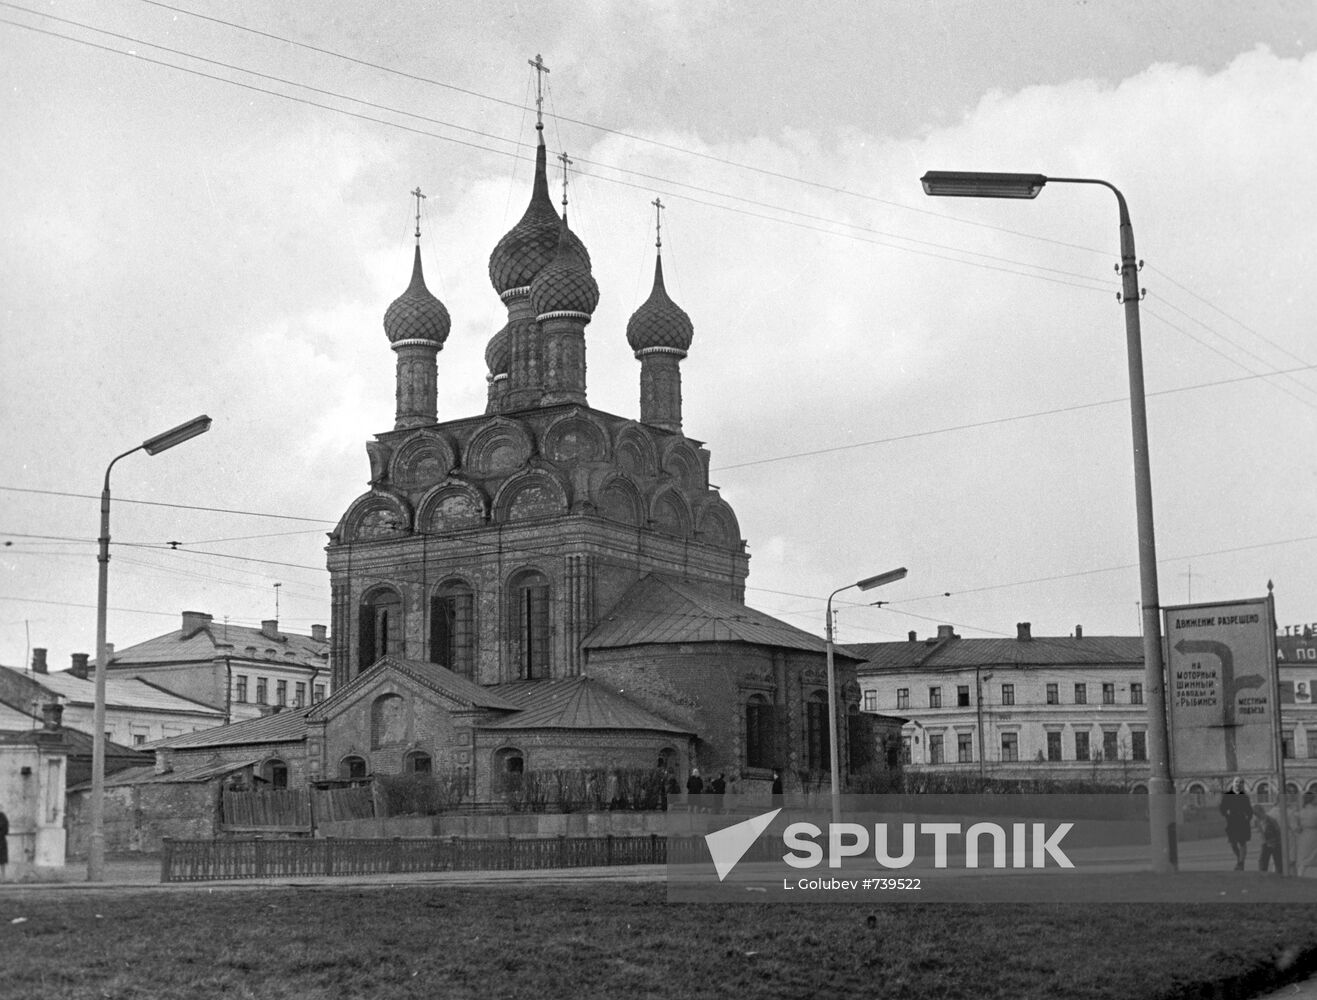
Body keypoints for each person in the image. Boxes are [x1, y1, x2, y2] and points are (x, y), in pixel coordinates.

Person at [1219, 777, 1253, 870]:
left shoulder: (1244, 797)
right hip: (1232, 822)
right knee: (1233, 843)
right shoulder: (1227, 796)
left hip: (1242, 821)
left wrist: (1248, 818)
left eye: (1241, 782)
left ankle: (1241, 863)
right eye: (1237, 782)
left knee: (1242, 842)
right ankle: (1239, 858)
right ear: (1233, 783)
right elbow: (1222, 808)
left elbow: (1249, 810)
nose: (1238, 784)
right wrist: (1226, 814)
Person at [1254, 804, 1283, 874]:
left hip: (1275, 843)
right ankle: (1263, 875)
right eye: (1255, 814)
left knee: (1278, 861)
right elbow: (1260, 832)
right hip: (1265, 843)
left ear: (1262, 811)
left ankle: (1279, 875)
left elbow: (1278, 831)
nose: (1257, 815)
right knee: (1263, 861)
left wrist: (1276, 842)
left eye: (1257, 813)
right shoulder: (1257, 821)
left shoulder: (1271, 820)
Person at [1296, 791, 1317, 877]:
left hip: (1304, 835)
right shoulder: (1315, 811)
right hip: (1314, 835)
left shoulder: (1301, 812)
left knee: (1303, 858)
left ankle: (1300, 875)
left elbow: (1298, 827)